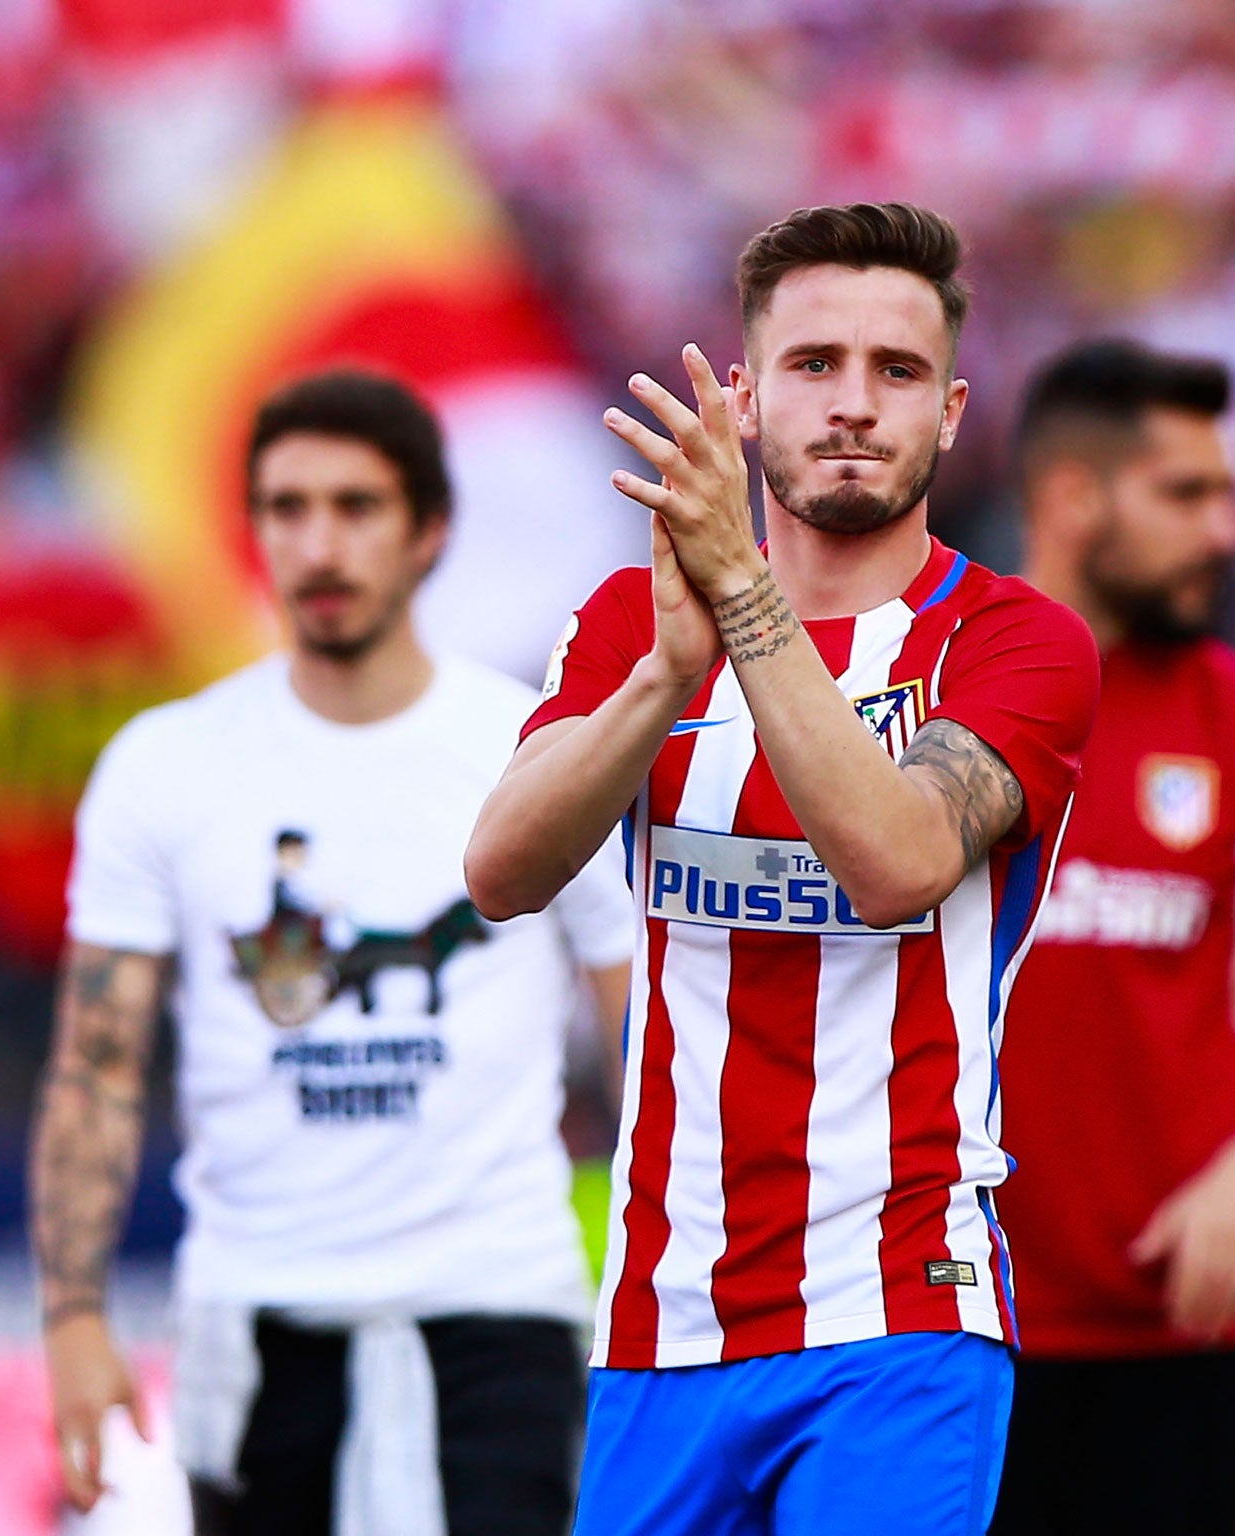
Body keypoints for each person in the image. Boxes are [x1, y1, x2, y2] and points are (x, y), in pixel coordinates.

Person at [465, 202, 1101, 1536]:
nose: (856, 405)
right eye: (816, 366)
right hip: (661, 1321)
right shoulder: (627, 626)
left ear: (952, 411)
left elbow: (897, 861)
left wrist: (746, 608)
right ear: (748, 399)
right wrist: (659, 679)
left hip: (903, 1312)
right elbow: (502, 870)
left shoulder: (1016, 644)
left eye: (898, 372)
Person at [31, 370, 634, 1536]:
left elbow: (647, 1042)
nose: (318, 543)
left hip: (500, 1300)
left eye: (355, 506)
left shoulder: (535, 746)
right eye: (286, 507)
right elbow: (98, 1063)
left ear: (431, 529)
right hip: (251, 1315)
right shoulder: (165, 765)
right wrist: (70, 1317)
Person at [989, 339, 1235, 1536]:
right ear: (1073, 499)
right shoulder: (935, 690)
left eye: (1228, 494)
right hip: (942, 1331)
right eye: (1186, 494)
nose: (1225, 530)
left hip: (1176, 1341)